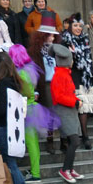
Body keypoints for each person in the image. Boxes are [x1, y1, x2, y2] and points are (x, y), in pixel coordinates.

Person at [9, 43, 60, 182]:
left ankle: (36, 173)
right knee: (33, 142)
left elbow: (25, 91)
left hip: (27, 109)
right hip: (32, 108)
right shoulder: (29, 69)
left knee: (31, 143)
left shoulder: (21, 73)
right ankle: (35, 170)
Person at [0, 51, 32, 184]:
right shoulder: (14, 81)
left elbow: (1, 109)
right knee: (11, 160)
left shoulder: (2, 83)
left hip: (3, 126)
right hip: (14, 126)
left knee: (9, 161)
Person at [61, 13, 93, 150]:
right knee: (74, 107)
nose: (78, 28)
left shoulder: (85, 39)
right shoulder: (64, 40)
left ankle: (85, 135)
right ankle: (73, 136)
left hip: (85, 76)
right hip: (71, 77)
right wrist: (71, 53)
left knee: (84, 107)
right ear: (70, 26)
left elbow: (89, 61)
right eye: (75, 25)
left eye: (80, 26)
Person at [49, 43, 84, 184]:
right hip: (64, 111)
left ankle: (69, 168)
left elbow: (67, 94)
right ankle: (65, 169)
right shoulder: (59, 75)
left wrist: (77, 100)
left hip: (70, 111)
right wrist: (75, 102)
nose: (73, 61)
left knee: (73, 141)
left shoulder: (64, 74)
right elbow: (59, 97)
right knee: (75, 140)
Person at [28, 17, 61, 153]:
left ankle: (62, 140)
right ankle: (50, 141)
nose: (52, 38)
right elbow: (33, 72)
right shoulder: (36, 52)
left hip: (57, 83)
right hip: (45, 85)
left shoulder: (56, 50)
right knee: (50, 112)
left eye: (53, 35)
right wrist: (35, 90)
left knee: (59, 111)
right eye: (50, 35)